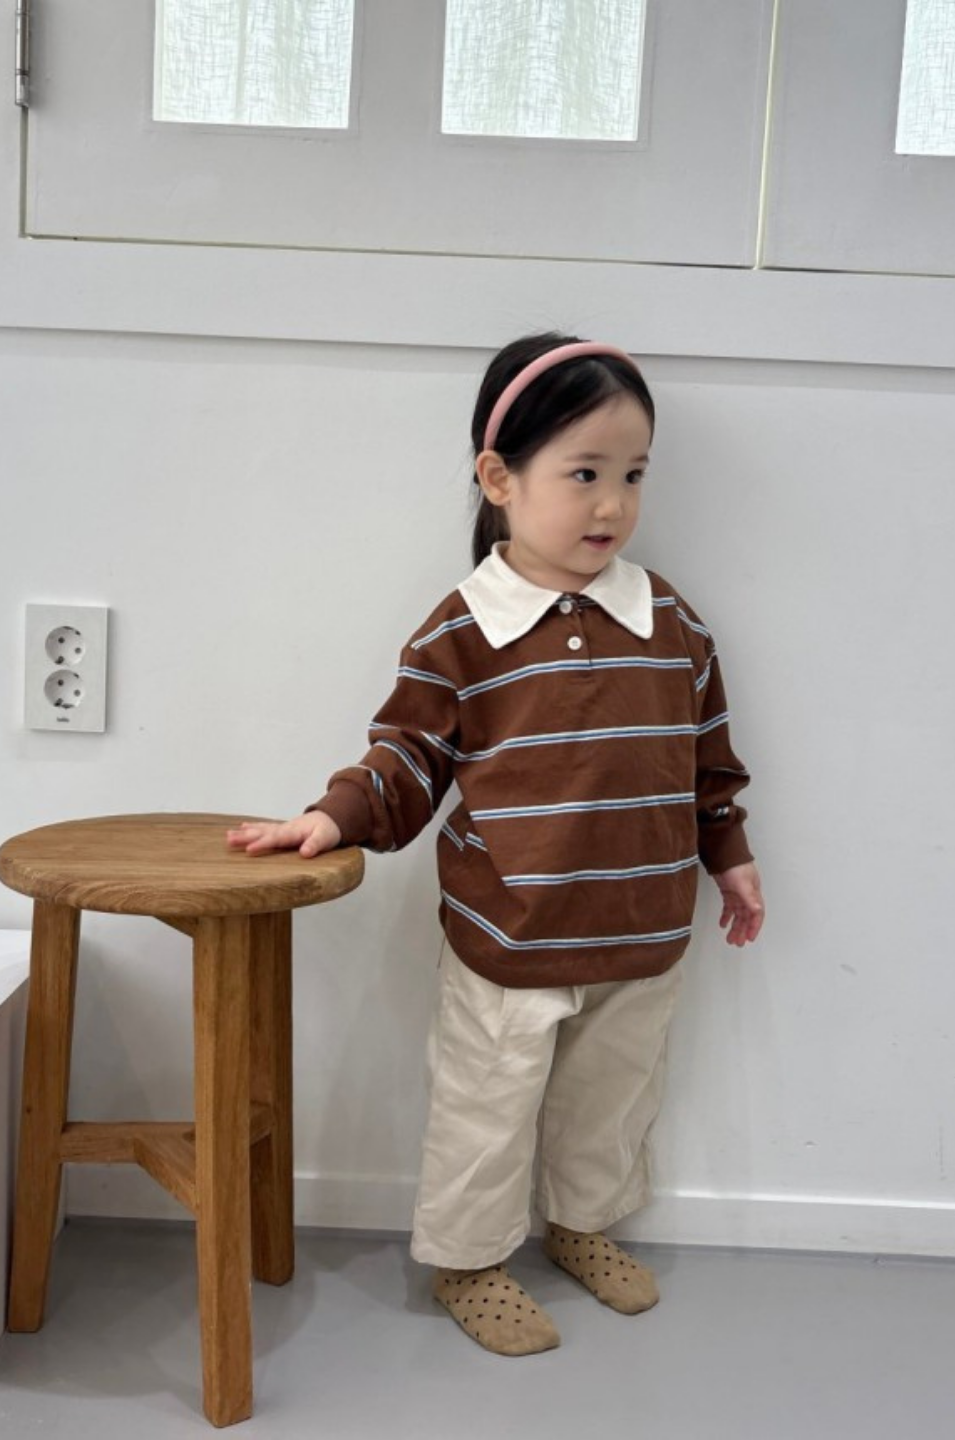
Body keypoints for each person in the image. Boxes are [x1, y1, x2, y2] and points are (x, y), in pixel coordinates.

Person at [228, 333, 765, 1356]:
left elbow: (711, 764)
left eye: (633, 476)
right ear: (498, 477)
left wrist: (729, 860)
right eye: (584, 474)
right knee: (486, 1109)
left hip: (644, 930)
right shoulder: (464, 632)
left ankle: (581, 1227)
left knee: (610, 1103)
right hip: (508, 937)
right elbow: (406, 759)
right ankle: (469, 1263)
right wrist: (334, 814)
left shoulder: (674, 625)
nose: (611, 504)